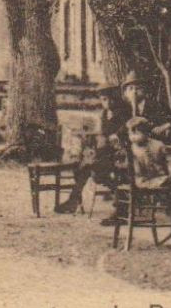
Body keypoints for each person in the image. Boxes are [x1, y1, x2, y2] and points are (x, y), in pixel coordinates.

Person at [54, 84, 132, 217]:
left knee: (90, 168)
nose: (107, 103)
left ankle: (75, 201)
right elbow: (102, 135)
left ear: (115, 98)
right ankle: (75, 200)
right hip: (106, 152)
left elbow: (125, 131)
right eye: (103, 99)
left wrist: (115, 137)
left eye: (109, 99)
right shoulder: (104, 114)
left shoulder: (124, 112)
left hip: (121, 151)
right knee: (83, 166)